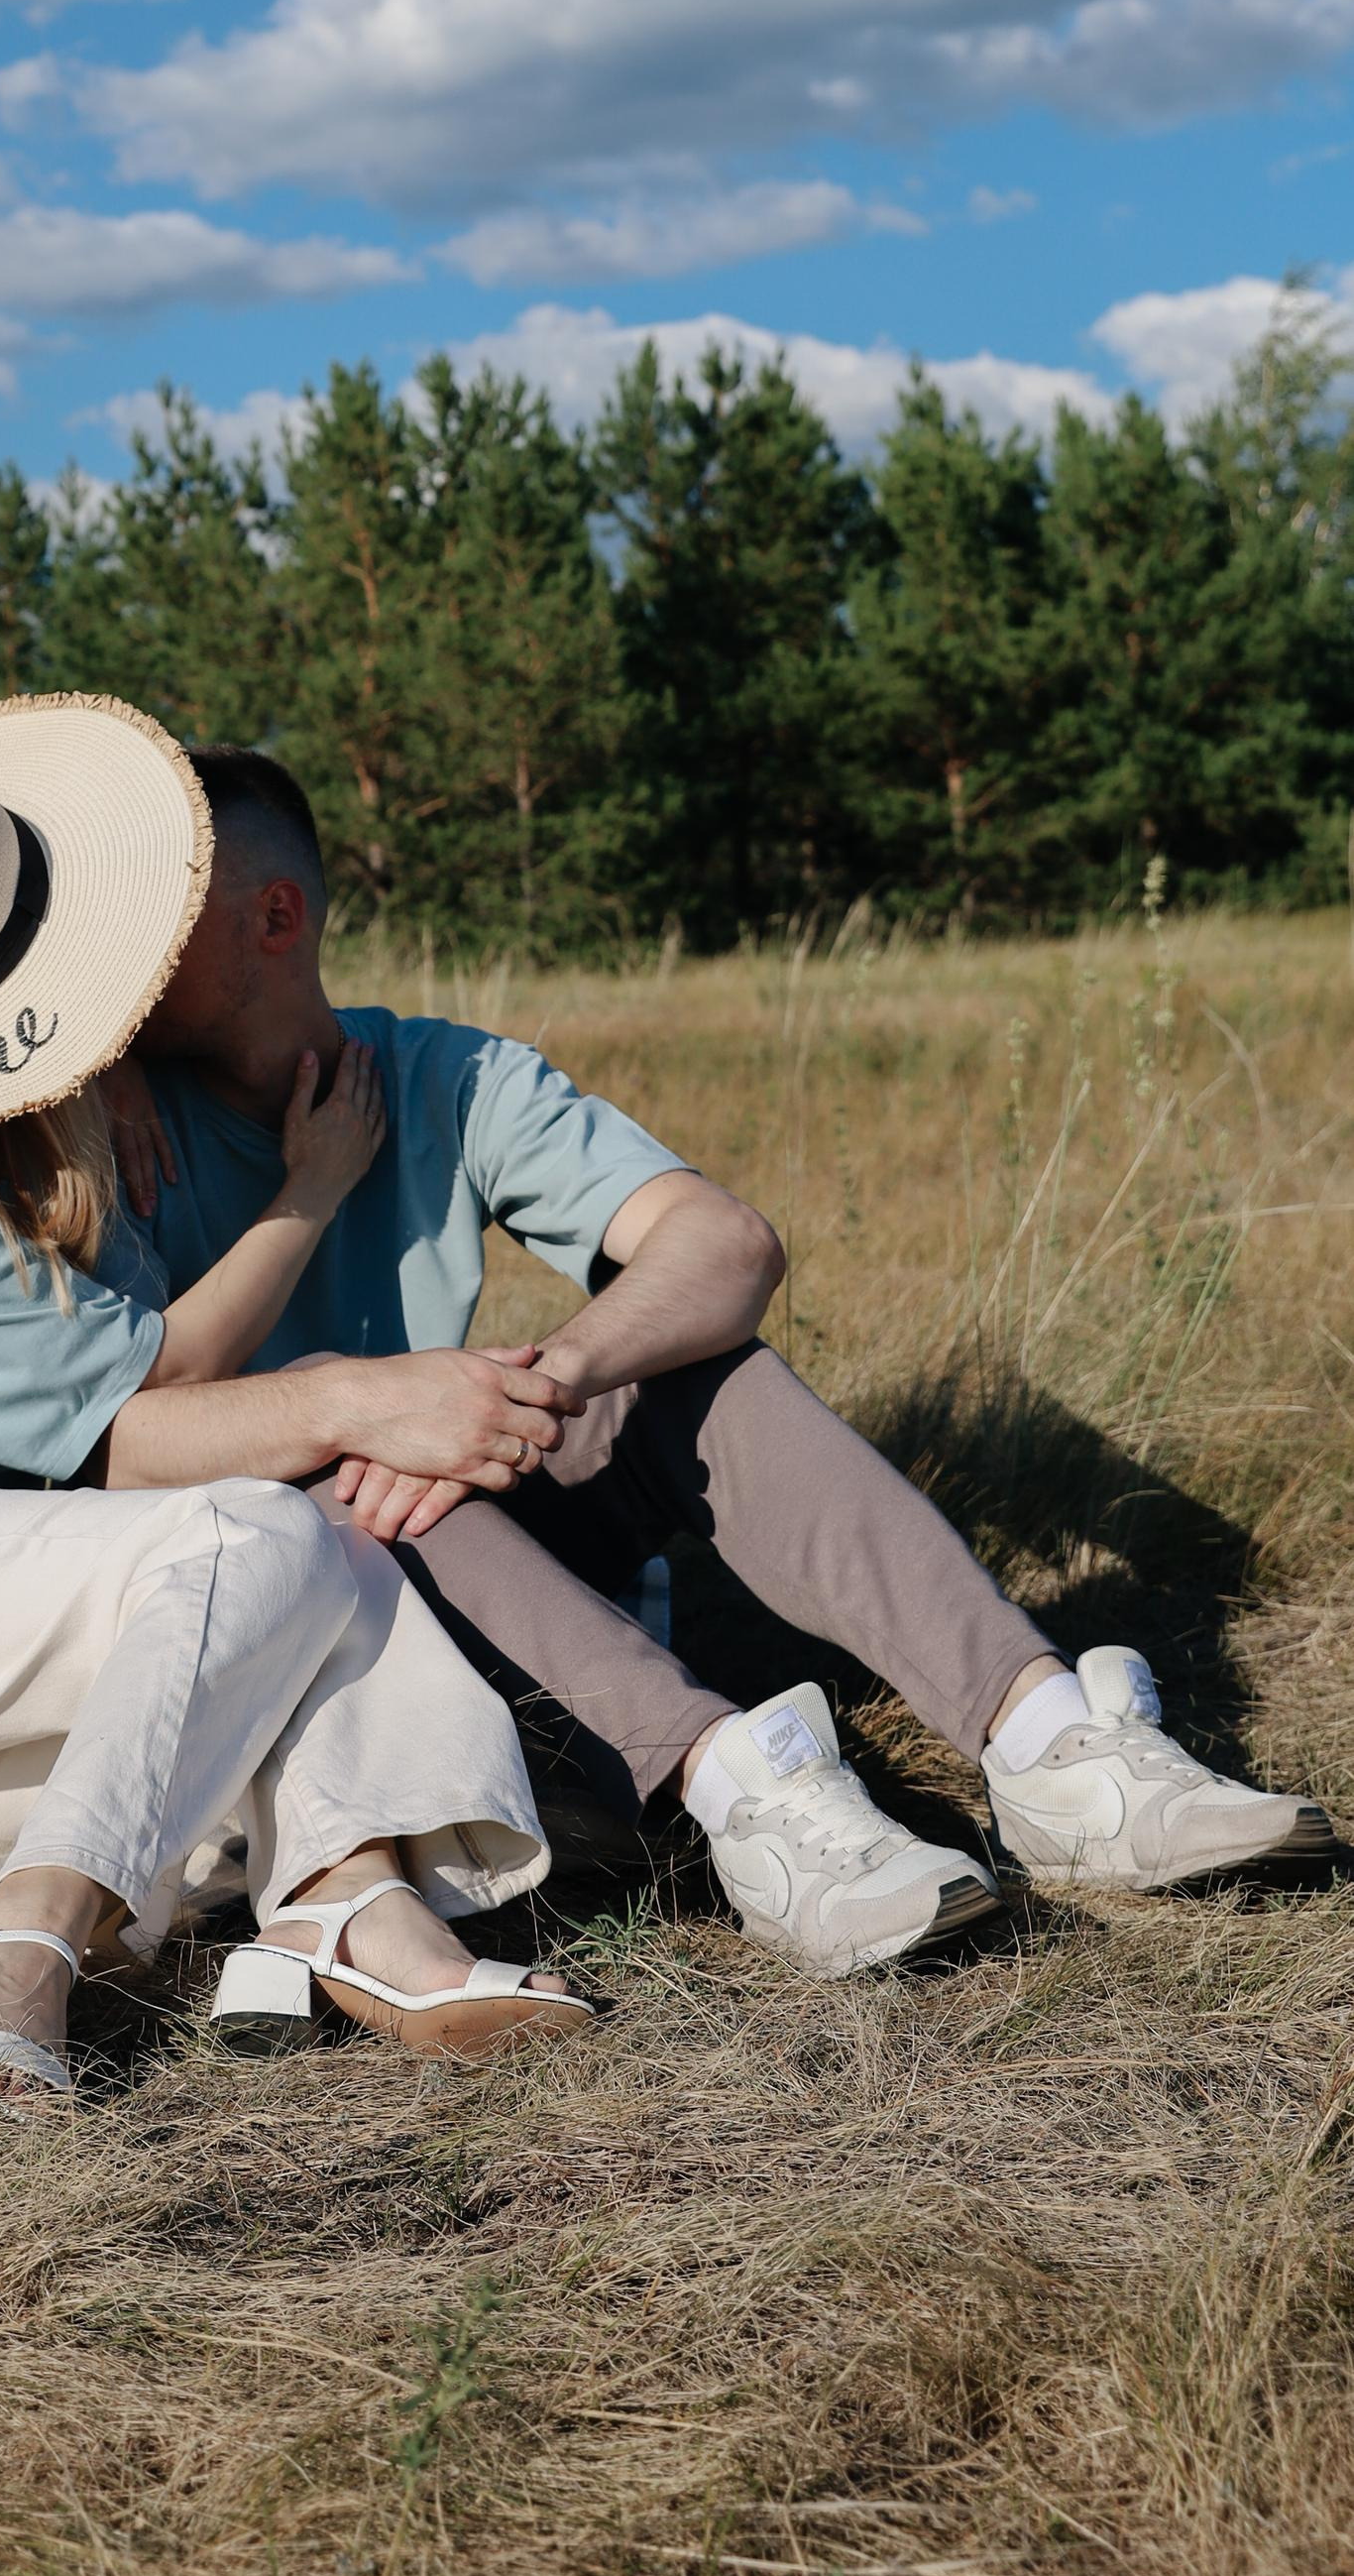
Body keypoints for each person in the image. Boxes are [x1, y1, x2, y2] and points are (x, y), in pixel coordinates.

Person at [99, 747, 1333, 1979]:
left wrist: (544, 1379)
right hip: (290, 1573)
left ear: (275, 915)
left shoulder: (443, 1077)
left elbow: (725, 1243)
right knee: (349, 1484)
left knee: (695, 1370)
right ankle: (746, 1796)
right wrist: (107, 1079)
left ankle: (1051, 1744)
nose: (122, 941)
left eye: (160, 905)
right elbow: (128, 1432)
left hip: (470, 1522)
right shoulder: (95, 1115)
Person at [0, 695, 596, 2104]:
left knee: (287, 1626)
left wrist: (102, 1071)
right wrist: (353, 1357)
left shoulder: (1, 1129)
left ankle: (352, 1898)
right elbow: (151, 1418)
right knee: (259, 1537)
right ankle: (23, 1949)